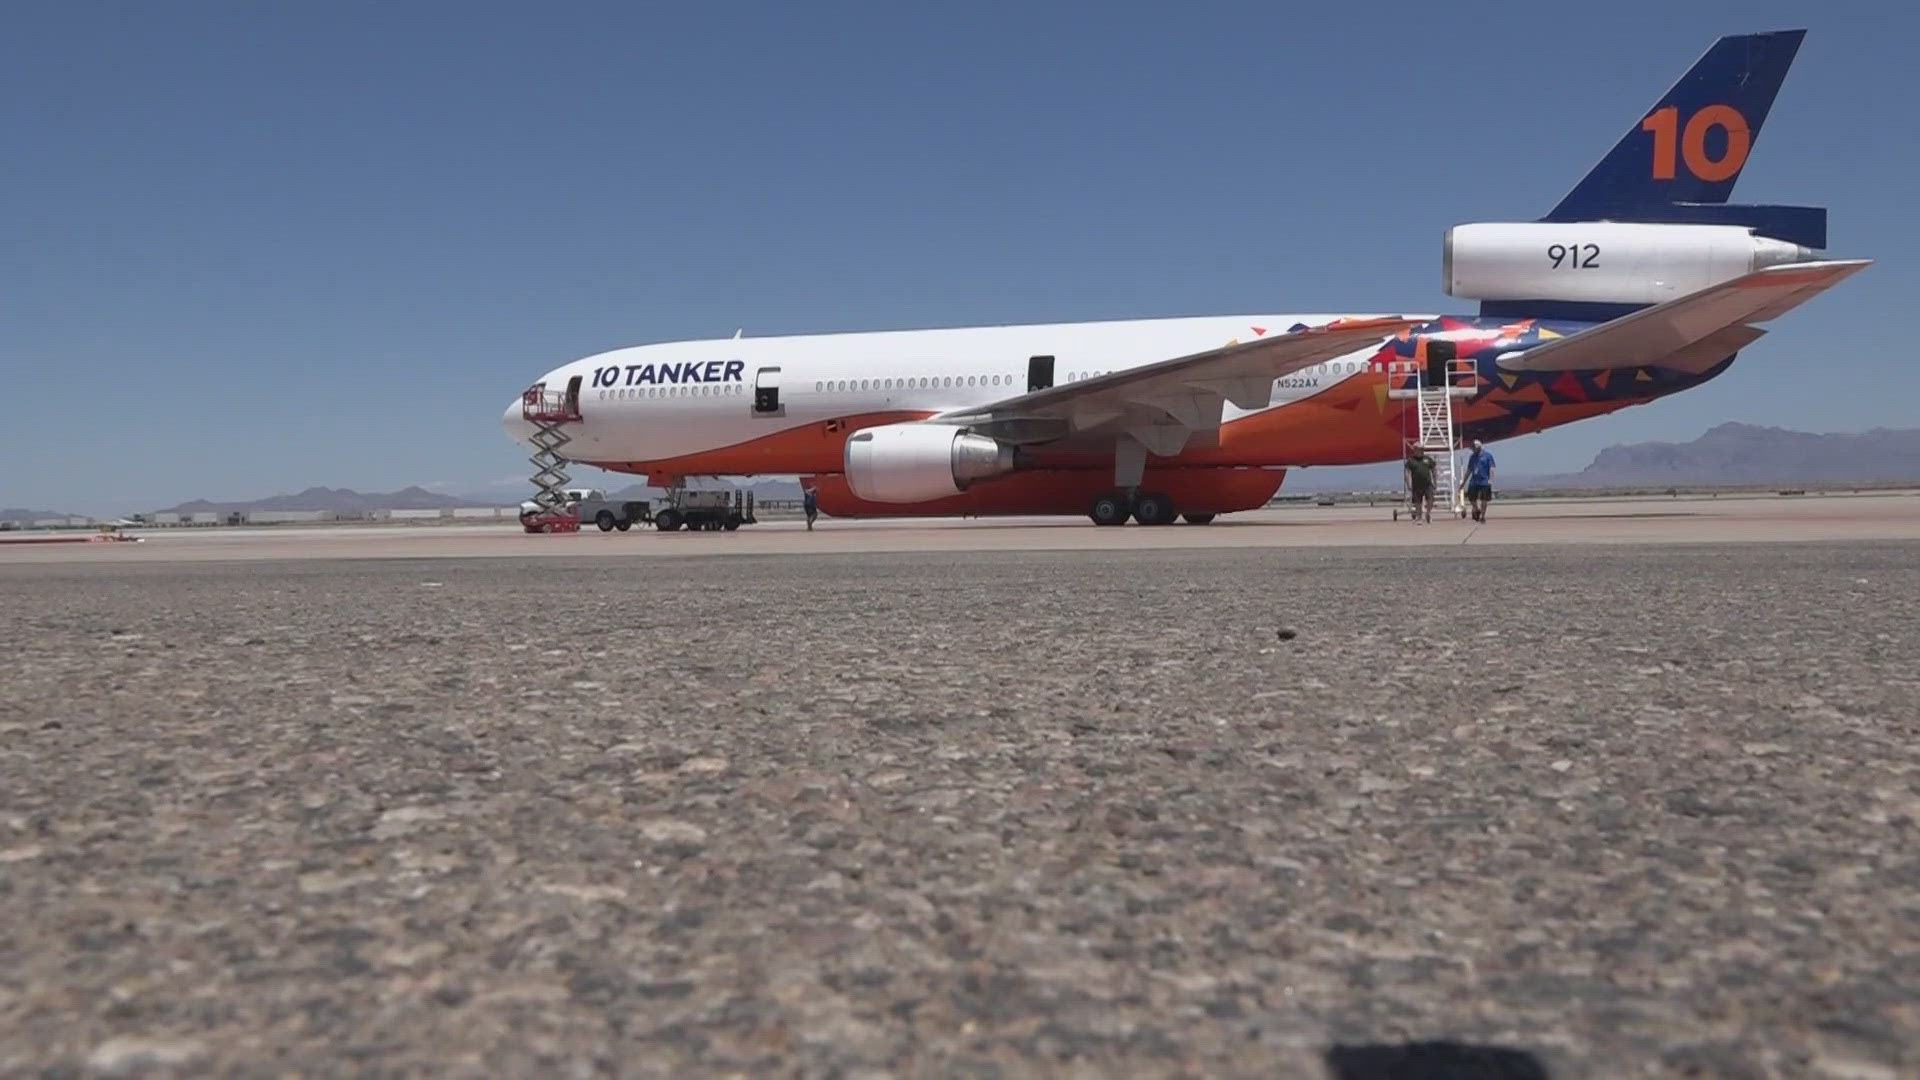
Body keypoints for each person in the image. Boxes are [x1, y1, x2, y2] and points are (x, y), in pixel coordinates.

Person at [1463, 439, 1496, 522]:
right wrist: (1463, 482)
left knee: (1484, 500)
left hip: (1484, 481)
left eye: (1474, 448)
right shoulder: (1472, 457)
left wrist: (1491, 480)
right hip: (1474, 481)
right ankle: (1476, 509)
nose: (1473, 450)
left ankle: (1483, 516)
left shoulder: (1488, 456)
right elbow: (1469, 470)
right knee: (1472, 498)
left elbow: (1491, 468)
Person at [1404, 444, 1437, 523]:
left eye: (1420, 449)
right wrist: (1408, 483)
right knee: (1418, 502)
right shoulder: (1411, 460)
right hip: (1416, 485)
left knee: (1430, 499)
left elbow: (1433, 470)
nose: (1418, 451)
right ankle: (1419, 518)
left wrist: (1435, 482)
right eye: (1417, 449)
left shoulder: (1428, 459)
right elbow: (1407, 472)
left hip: (1427, 484)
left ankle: (1428, 513)